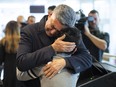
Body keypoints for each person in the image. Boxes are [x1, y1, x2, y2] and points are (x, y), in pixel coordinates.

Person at [16, 4, 92, 87]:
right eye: (52, 26)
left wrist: (65, 62)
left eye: (58, 31)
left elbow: (87, 58)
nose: (52, 32)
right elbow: (21, 62)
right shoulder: (29, 31)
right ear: (50, 15)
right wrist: (52, 48)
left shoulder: (69, 32)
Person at [16, 27, 81, 82]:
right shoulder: (78, 65)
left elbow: (20, 75)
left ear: (56, 41)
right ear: (75, 50)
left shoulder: (46, 65)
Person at [0, 21, 23, 87]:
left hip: (8, 72)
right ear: (18, 29)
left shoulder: (3, 42)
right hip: (21, 71)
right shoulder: (23, 41)